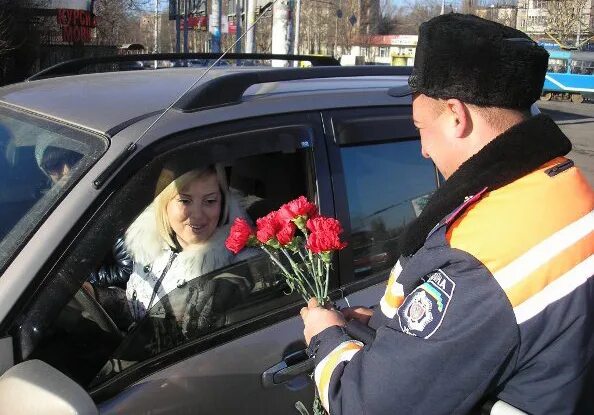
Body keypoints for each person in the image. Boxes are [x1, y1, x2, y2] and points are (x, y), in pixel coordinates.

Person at [300, 13, 593, 415]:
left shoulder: (481, 263)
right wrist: (391, 328)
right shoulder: (560, 182)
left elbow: (364, 405)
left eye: (420, 126)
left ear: (457, 116)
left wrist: (325, 336)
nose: (422, 149)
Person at [88, 165, 254, 334]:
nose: (197, 215)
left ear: (223, 204)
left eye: (210, 201)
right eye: (184, 200)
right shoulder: (150, 244)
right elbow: (138, 313)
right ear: (164, 203)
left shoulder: (233, 268)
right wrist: (98, 297)